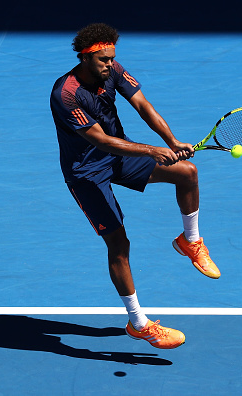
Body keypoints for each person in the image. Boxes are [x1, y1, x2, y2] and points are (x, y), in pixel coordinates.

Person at [50, 23, 220, 349]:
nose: (110, 65)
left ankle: (191, 241)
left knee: (187, 172)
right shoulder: (65, 94)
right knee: (119, 244)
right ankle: (138, 323)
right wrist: (153, 150)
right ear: (84, 58)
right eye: (103, 60)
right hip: (86, 172)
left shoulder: (112, 70)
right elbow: (99, 140)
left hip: (119, 156)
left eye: (112, 58)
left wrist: (171, 141)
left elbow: (143, 105)